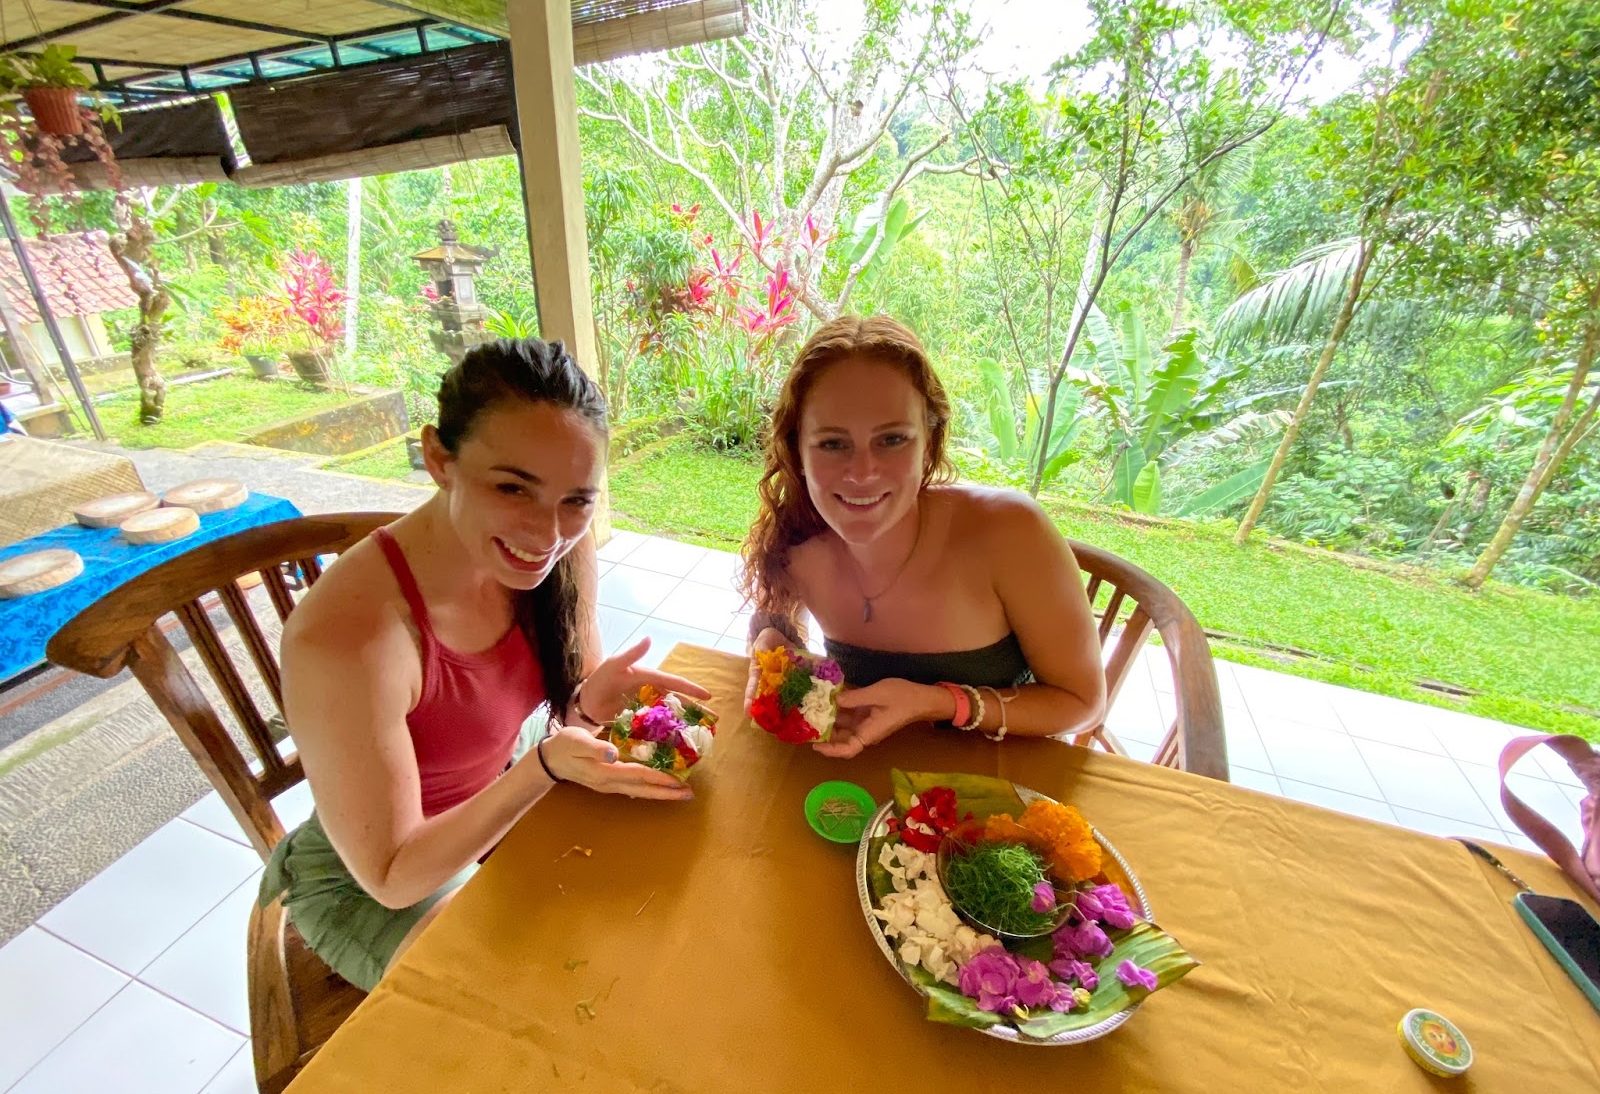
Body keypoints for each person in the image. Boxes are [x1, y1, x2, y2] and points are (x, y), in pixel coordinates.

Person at [261, 338, 707, 991]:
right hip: (375, 877)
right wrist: (543, 766)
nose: (547, 534)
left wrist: (588, 703)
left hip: (496, 787)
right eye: (512, 488)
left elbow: (564, 712)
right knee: (541, 994)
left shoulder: (560, 551)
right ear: (438, 459)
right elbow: (392, 877)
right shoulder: (348, 637)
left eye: (576, 500)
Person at [741, 315, 1106, 758]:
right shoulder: (799, 538)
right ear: (797, 449)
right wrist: (772, 642)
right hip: (861, 774)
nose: (862, 472)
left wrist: (938, 702)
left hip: (1005, 778)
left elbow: (1082, 703)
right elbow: (774, 619)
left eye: (892, 439)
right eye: (833, 444)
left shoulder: (1009, 532)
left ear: (928, 444)